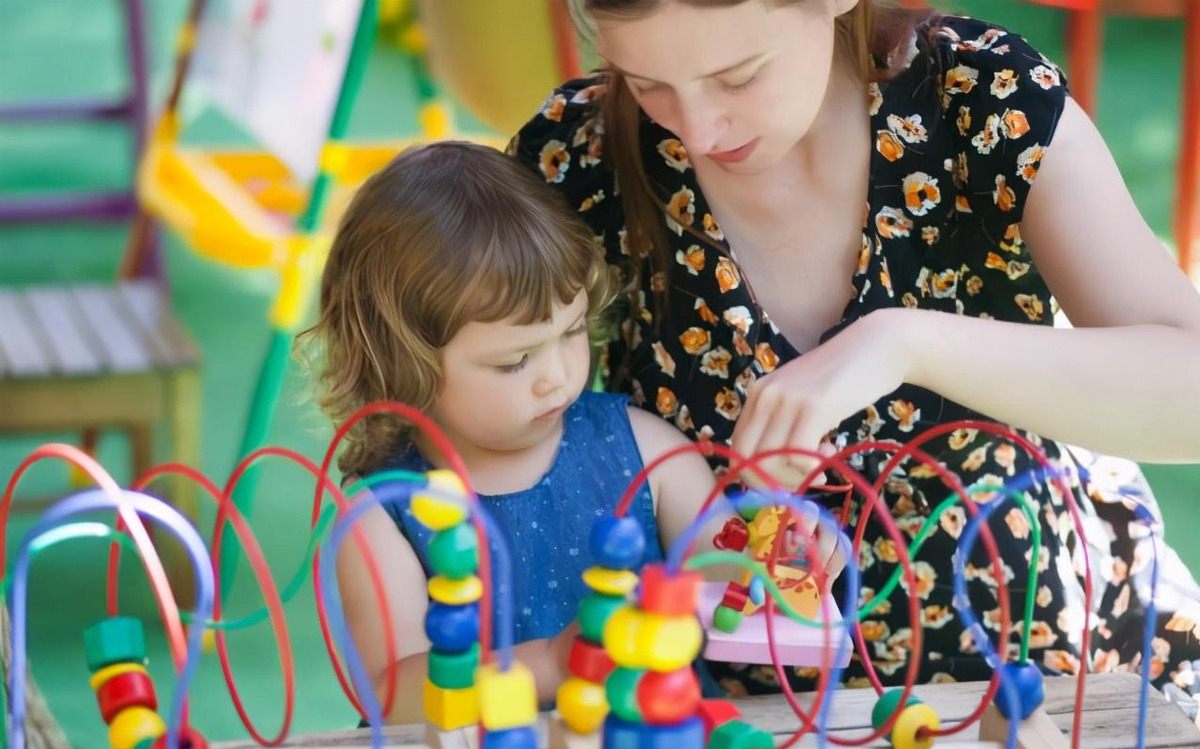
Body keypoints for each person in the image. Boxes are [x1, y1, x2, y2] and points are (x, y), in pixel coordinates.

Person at [509, 0, 1200, 696]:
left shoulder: (983, 101)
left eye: (738, 77)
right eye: (646, 83)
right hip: (732, 700)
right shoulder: (579, 157)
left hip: (1031, 657)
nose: (695, 129)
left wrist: (904, 342)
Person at [299, 141, 741, 723]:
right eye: (514, 362)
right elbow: (392, 695)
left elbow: (727, 579)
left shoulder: (646, 451)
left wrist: (776, 562)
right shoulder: (383, 512)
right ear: (404, 364)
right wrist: (554, 663)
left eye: (572, 331)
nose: (556, 376)